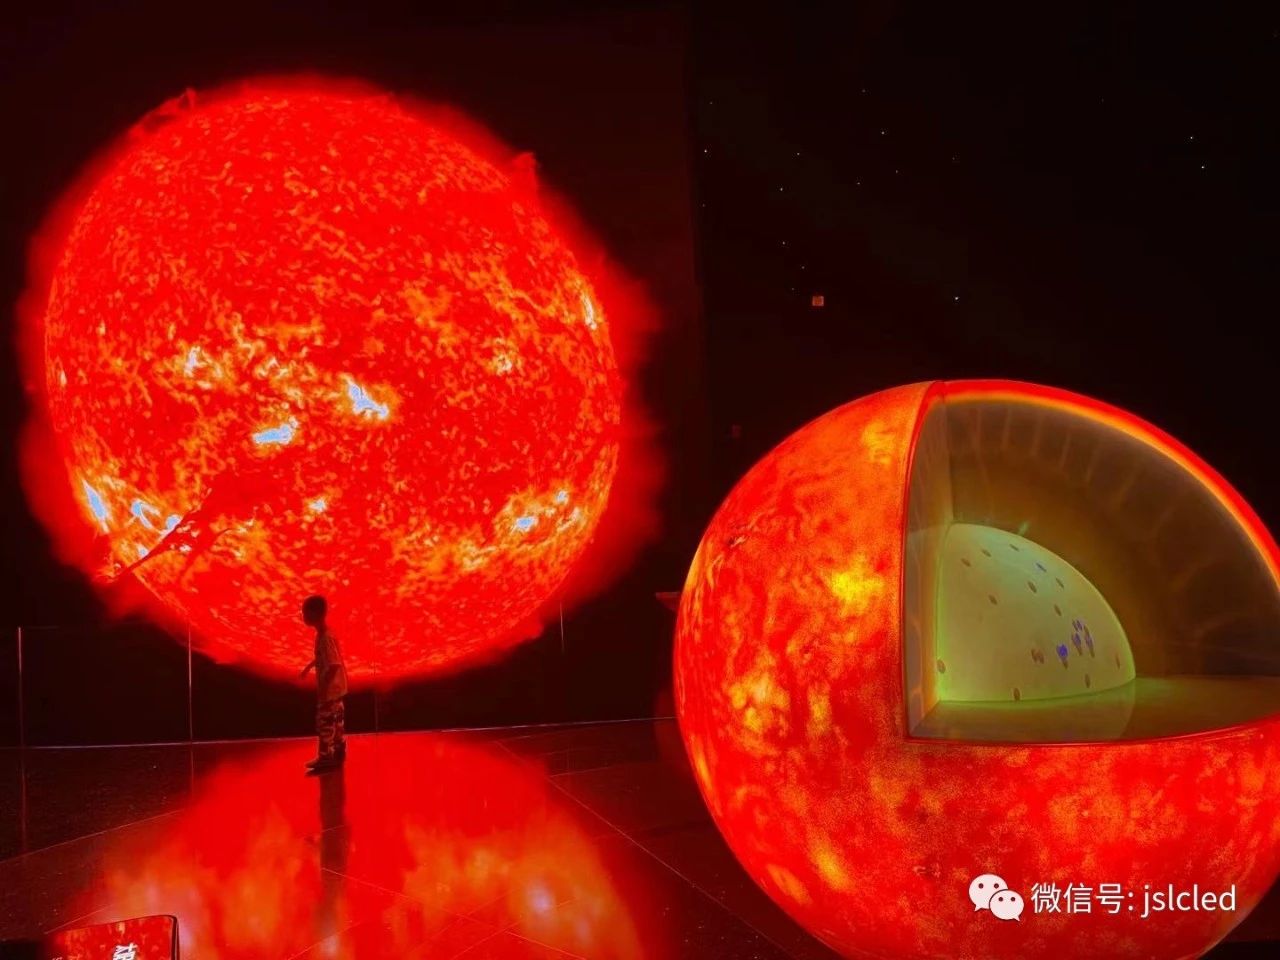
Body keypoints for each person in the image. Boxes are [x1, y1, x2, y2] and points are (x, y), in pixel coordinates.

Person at [300, 594, 348, 772]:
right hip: (337, 689)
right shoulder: (323, 635)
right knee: (337, 720)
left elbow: (334, 664)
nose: (303, 616)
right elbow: (323, 658)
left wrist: (325, 686)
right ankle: (339, 750)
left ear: (315, 614)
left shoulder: (325, 637)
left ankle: (326, 756)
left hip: (330, 691)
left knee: (325, 722)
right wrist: (308, 667)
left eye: (306, 613)